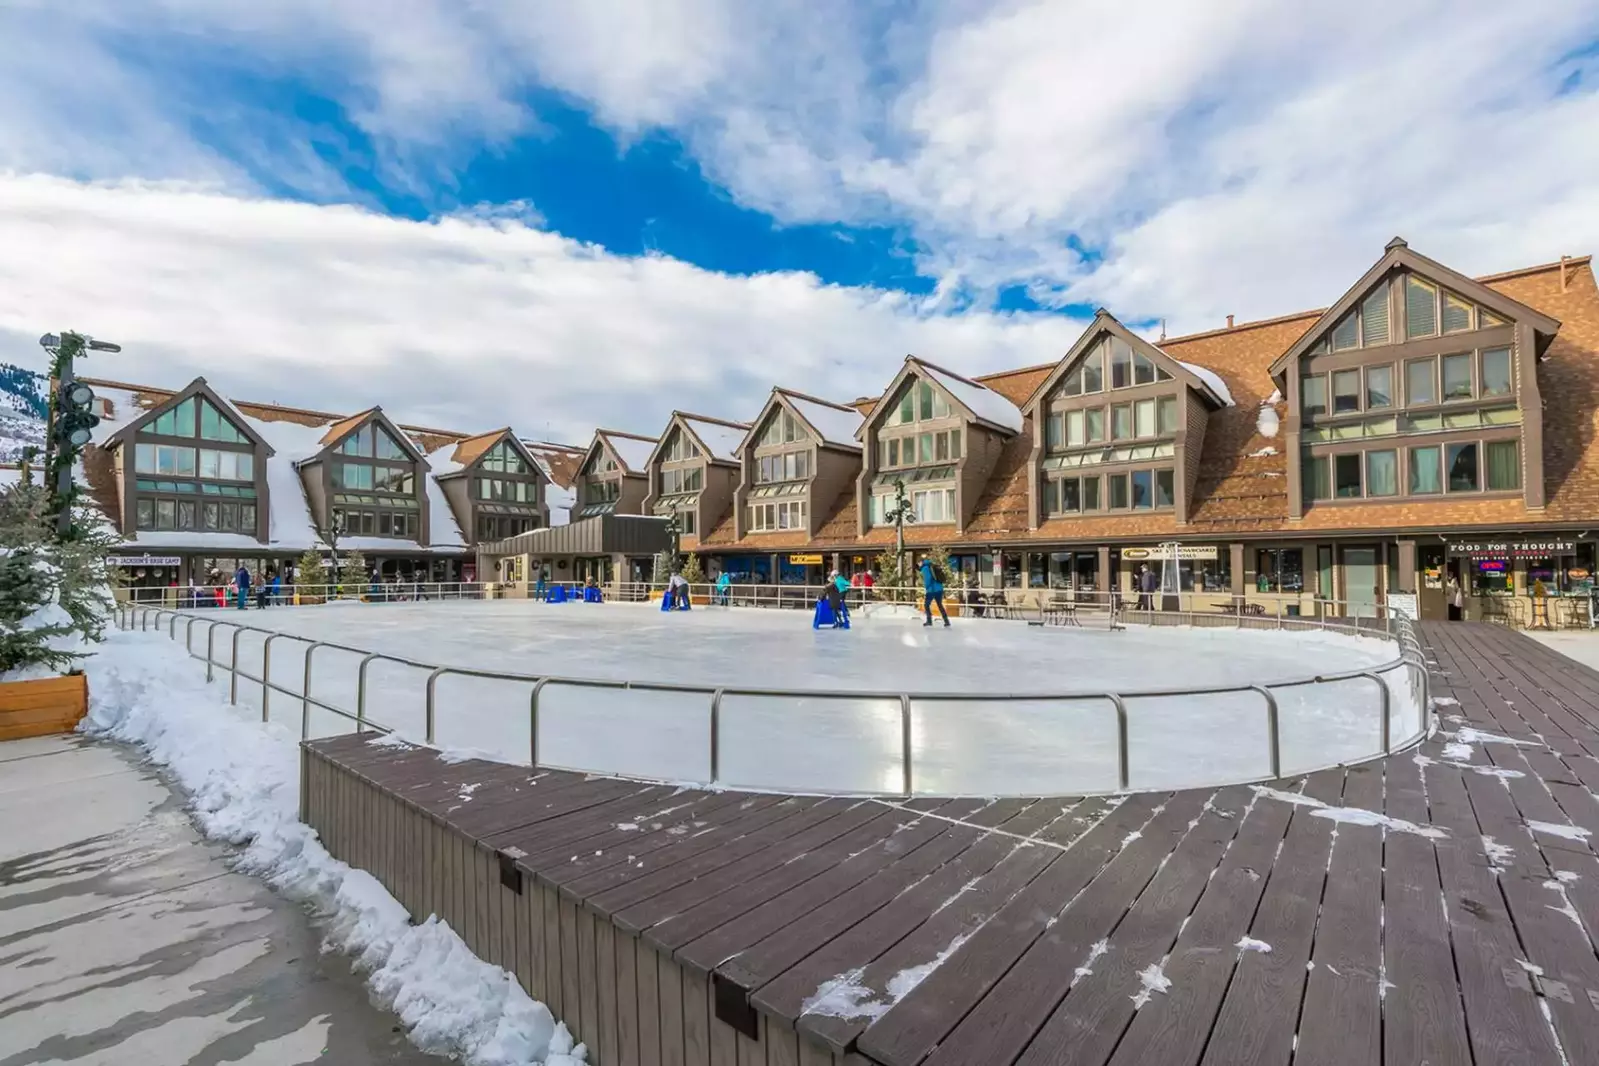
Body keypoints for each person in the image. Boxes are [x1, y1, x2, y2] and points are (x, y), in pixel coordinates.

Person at [919, 556, 950, 627]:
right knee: (940, 605)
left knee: (926, 605)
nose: (919, 565)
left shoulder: (925, 568)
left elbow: (928, 579)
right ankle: (946, 621)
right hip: (939, 589)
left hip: (931, 590)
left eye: (919, 563)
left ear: (921, 562)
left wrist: (927, 588)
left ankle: (929, 621)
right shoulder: (931, 566)